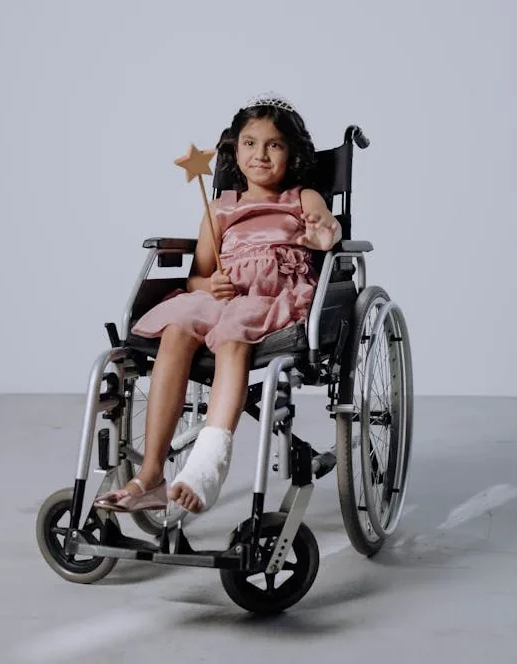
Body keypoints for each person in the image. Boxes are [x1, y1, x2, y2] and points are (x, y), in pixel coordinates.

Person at [94, 93, 342, 515]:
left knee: (233, 333)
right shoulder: (220, 208)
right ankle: (151, 474)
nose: (259, 154)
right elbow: (198, 274)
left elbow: (327, 230)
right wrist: (211, 284)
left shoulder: (301, 198)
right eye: (249, 143)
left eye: (274, 145)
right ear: (234, 150)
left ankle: (207, 464)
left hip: (273, 297)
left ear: (292, 154)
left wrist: (322, 235)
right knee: (178, 328)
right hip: (223, 296)